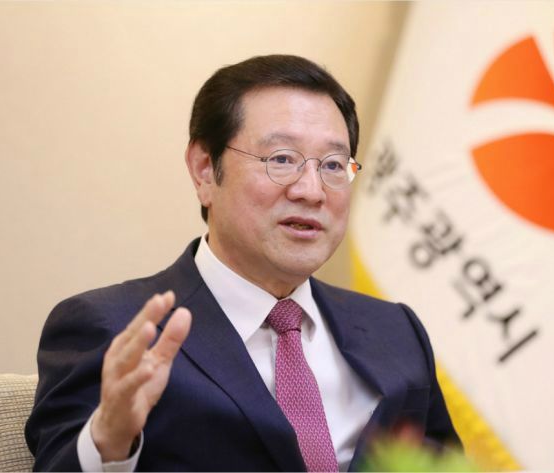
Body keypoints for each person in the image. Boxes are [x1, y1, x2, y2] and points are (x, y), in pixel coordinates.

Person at [25, 54, 460, 472]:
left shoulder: (396, 332)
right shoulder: (115, 329)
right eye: (282, 159)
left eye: (332, 165)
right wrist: (108, 442)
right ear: (204, 170)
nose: (312, 191)